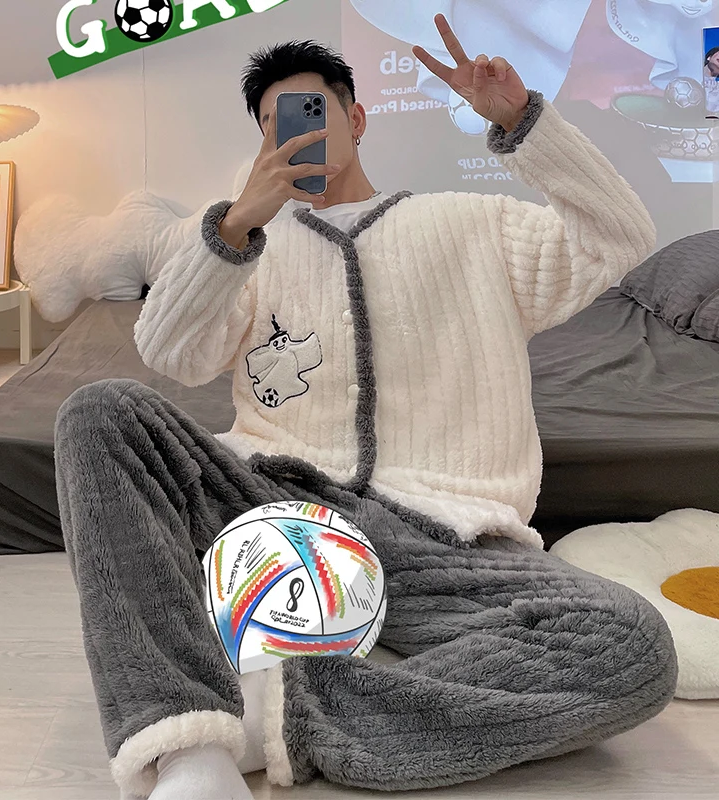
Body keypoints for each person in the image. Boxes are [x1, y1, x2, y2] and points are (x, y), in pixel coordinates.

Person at [54, 14, 677, 800]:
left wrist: (523, 124)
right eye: (274, 124)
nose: (296, 134)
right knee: (100, 412)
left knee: (629, 642)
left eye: (312, 111)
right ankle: (188, 746)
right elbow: (168, 349)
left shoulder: (469, 223)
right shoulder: (248, 247)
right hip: (277, 513)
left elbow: (619, 239)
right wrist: (237, 224)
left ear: (355, 118)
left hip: (446, 545)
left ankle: (283, 715)